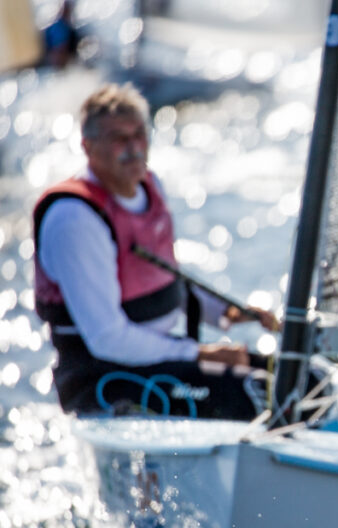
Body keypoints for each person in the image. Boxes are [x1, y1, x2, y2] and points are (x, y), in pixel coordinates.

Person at [33, 83, 279, 420]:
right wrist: (201, 353)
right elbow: (108, 339)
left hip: (158, 361)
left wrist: (227, 313)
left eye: (139, 135)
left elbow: (161, 281)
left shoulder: (150, 186)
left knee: (299, 380)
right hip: (101, 376)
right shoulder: (74, 219)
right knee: (250, 395)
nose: (133, 148)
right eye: (119, 139)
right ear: (87, 147)